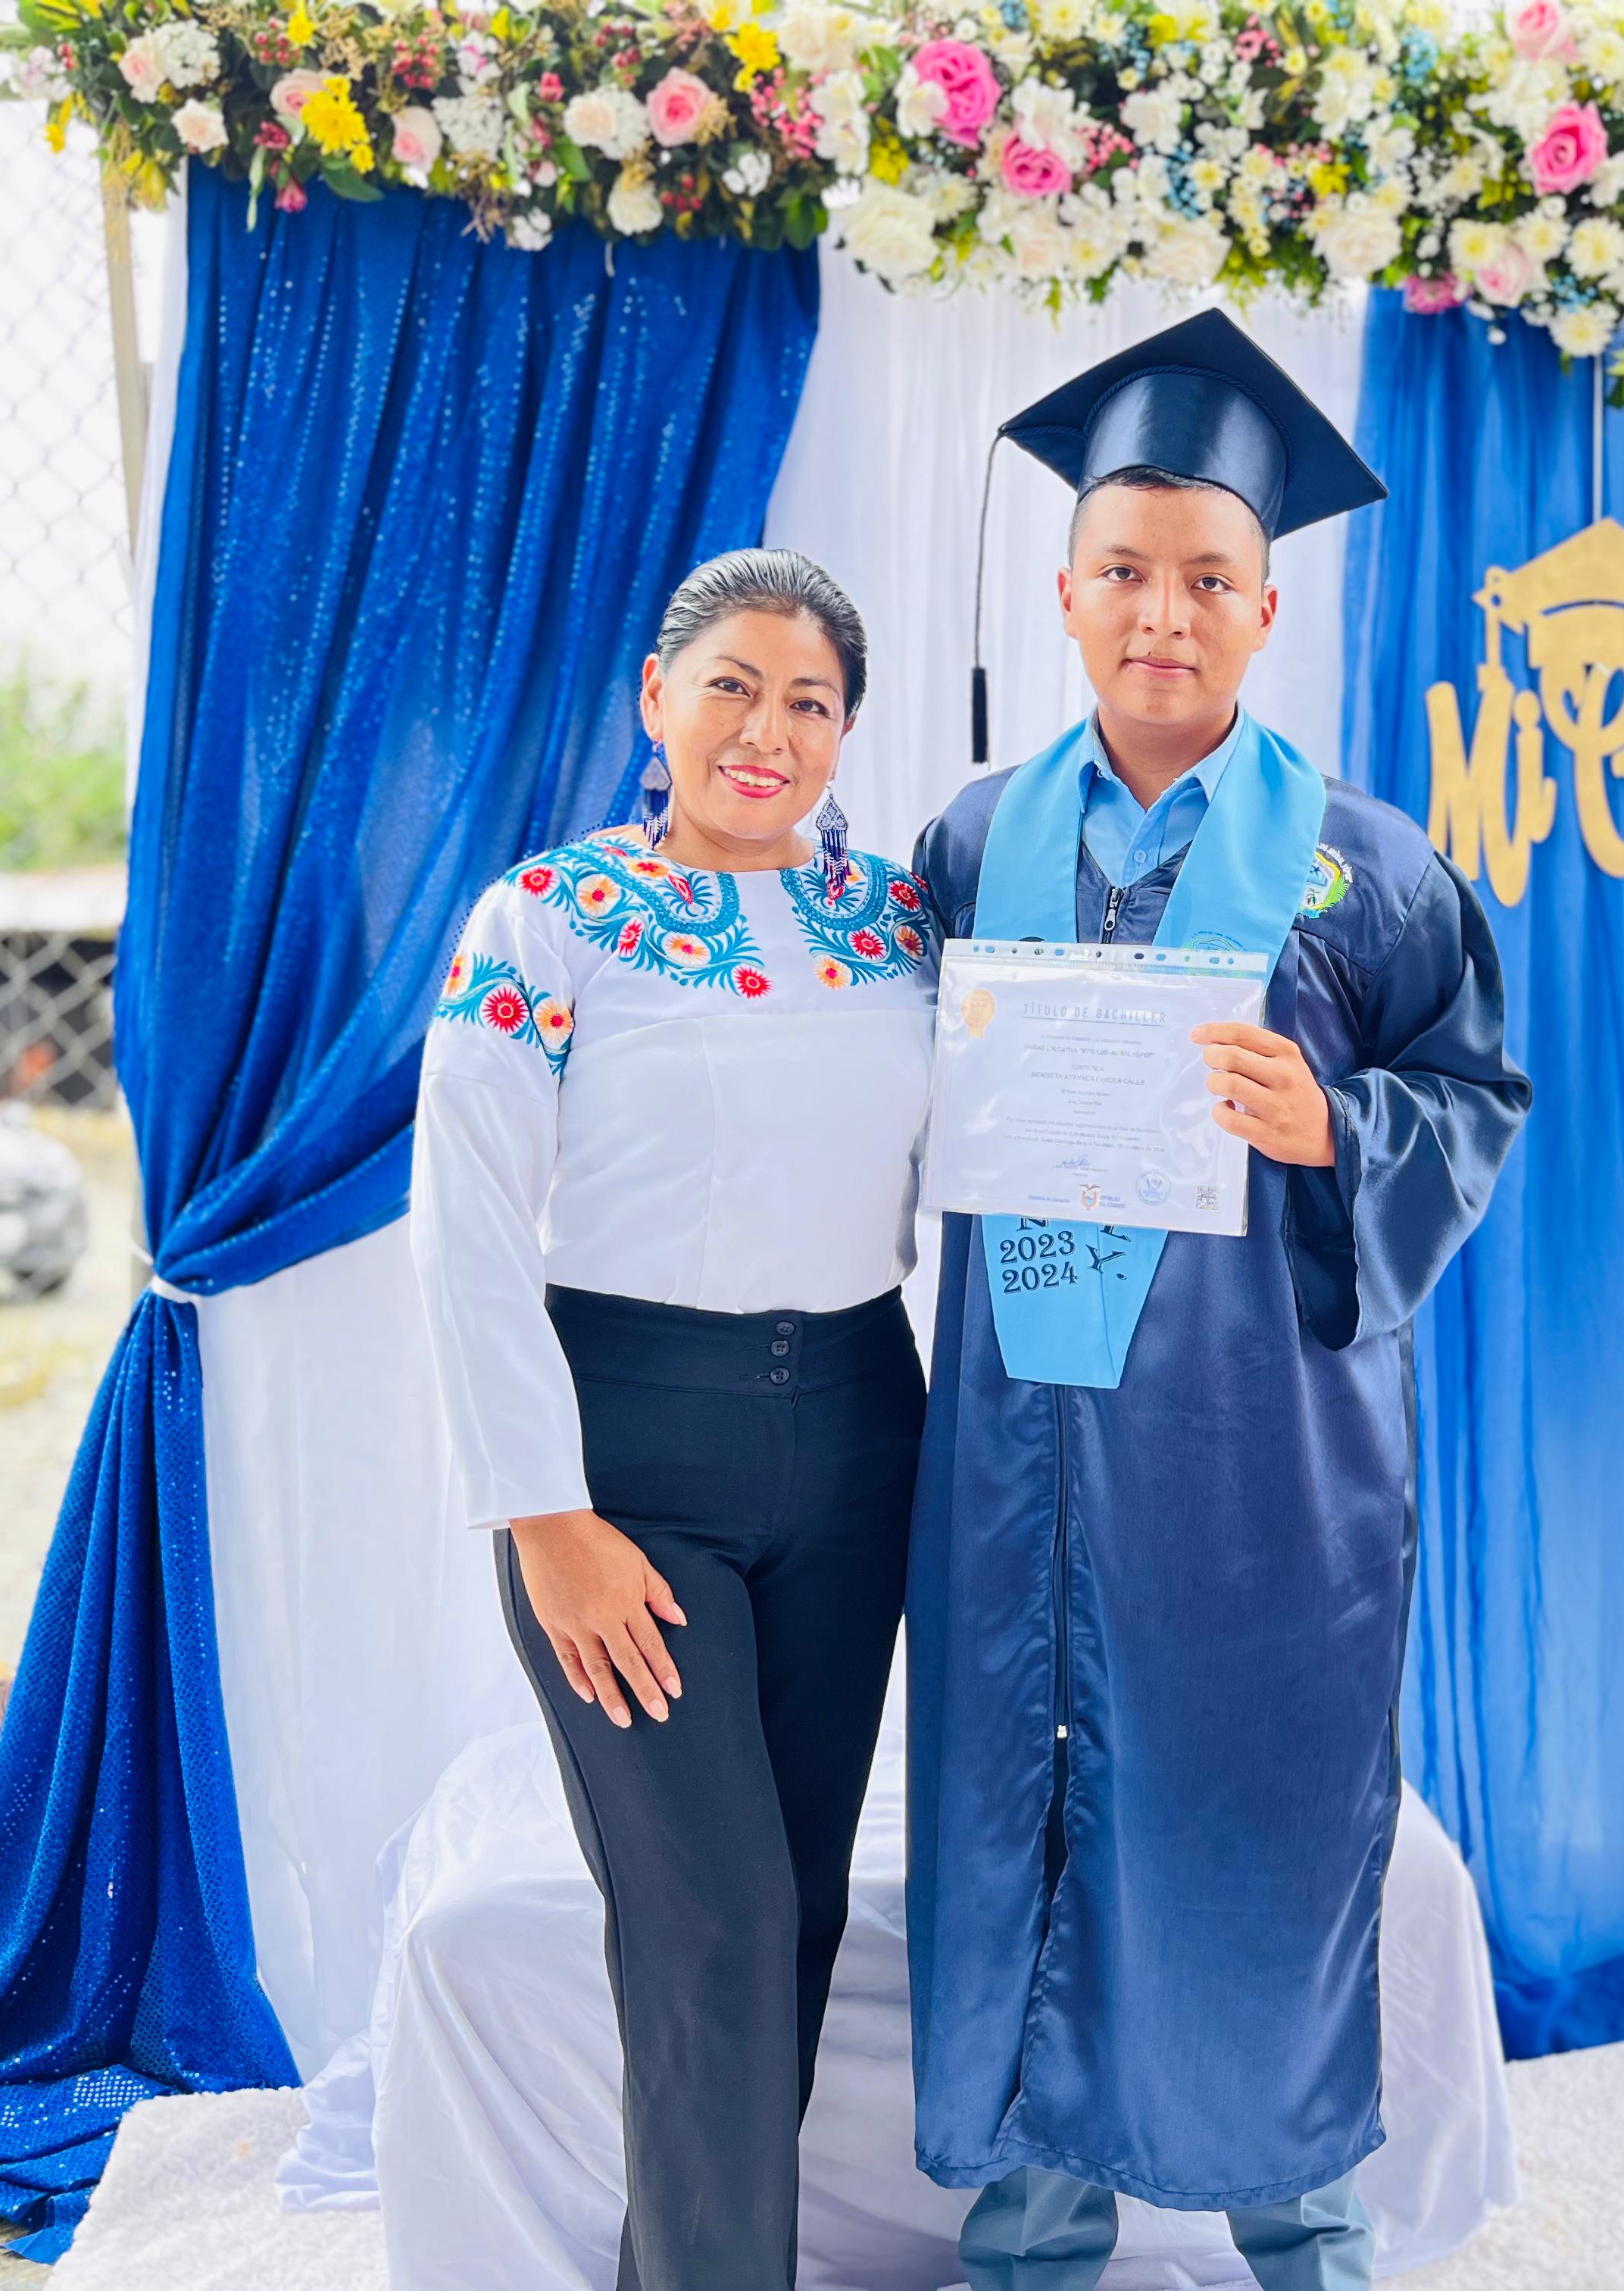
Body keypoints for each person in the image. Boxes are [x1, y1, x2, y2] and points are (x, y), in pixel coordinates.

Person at [907, 311, 1533, 2291]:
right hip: (1020, 1453)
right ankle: (1031, 2243)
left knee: (1264, 1839)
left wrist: (1336, 1124)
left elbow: (1477, 1102)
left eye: (1206, 578)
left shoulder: (1368, 871)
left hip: (1265, 1468)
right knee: (1022, 1828)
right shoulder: (965, 844)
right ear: (1065, 594)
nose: (1161, 614)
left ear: (1269, 608)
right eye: (1124, 572)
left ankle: (1305, 2234)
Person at [410, 549, 936, 2289]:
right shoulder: (545, 918)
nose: (767, 731)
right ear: (657, 697)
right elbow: (467, 1225)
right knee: (711, 1919)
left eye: (810, 702)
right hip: (627, 1461)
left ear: (846, 731)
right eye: (732, 686)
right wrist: (543, 1519)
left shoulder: (905, 928)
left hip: (862, 1435)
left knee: (795, 1915)